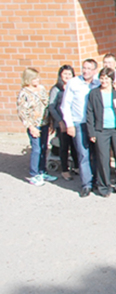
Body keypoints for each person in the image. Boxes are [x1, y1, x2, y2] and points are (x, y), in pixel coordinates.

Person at [61, 59, 100, 197]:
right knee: (83, 154)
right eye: (84, 68)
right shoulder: (73, 83)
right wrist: (69, 124)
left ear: (95, 71)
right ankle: (86, 184)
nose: (86, 71)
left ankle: (96, 181)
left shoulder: (98, 83)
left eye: (89, 68)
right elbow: (65, 105)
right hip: (79, 123)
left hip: (94, 124)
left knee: (96, 154)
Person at [18, 68, 55, 186]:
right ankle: (34, 174)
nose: (37, 80)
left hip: (44, 123)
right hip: (34, 125)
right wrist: (31, 127)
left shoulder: (42, 89)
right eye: (34, 78)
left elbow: (47, 105)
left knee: (44, 147)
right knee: (36, 149)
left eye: (38, 77)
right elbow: (22, 112)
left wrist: (50, 122)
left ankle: (42, 170)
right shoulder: (24, 93)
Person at [48, 65, 77, 180]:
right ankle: (65, 170)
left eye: (69, 74)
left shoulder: (74, 87)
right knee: (64, 146)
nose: (67, 76)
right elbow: (52, 107)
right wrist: (59, 121)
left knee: (75, 146)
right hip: (62, 123)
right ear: (60, 75)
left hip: (73, 121)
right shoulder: (56, 89)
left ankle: (76, 167)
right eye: (65, 74)